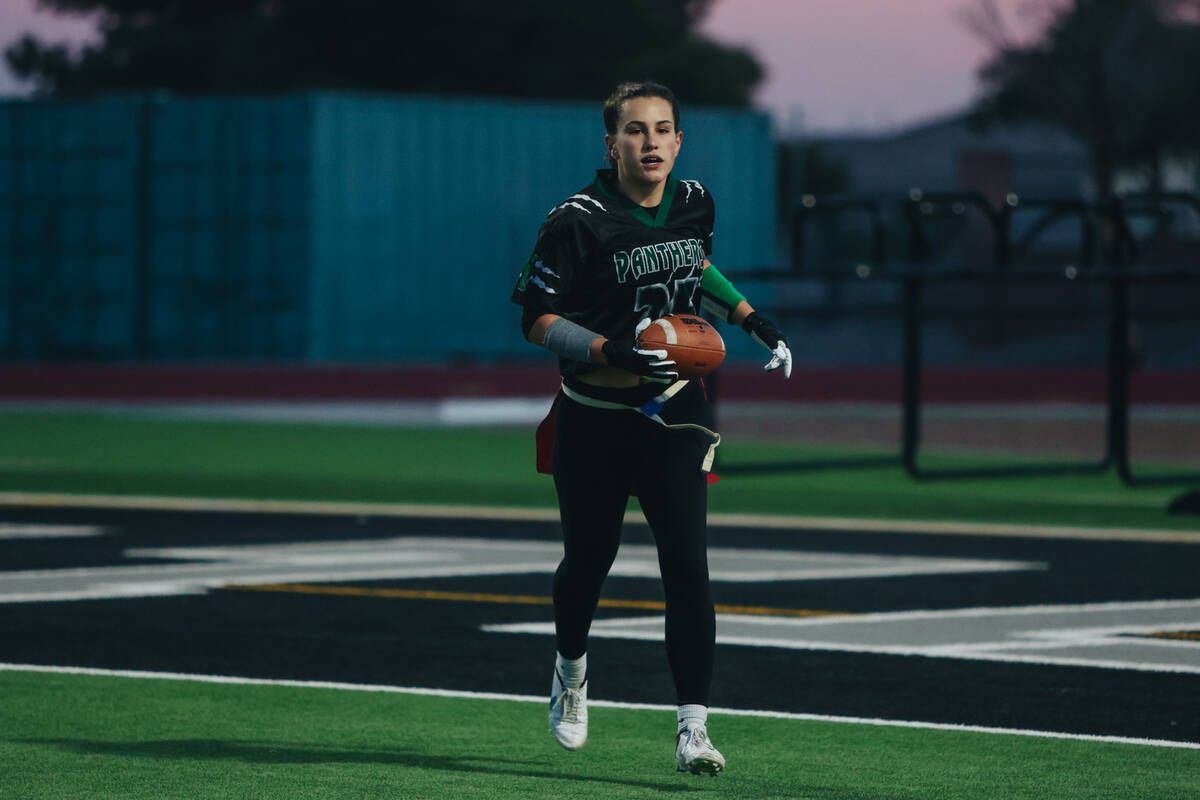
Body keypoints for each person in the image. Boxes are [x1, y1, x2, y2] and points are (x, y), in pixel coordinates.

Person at [509, 80, 792, 777]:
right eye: (636, 131)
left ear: (679, 139)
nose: (651, 142)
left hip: (675, 412)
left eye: (663, 129)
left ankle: (693, 727)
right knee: (588, 564)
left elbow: (694, 266)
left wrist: (749, 317)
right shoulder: (575, 219)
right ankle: (571, 669)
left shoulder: (694, 201)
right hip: (595, 416)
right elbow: (536, 318)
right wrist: (608, 349)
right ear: (612, 144)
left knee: (688, 569)